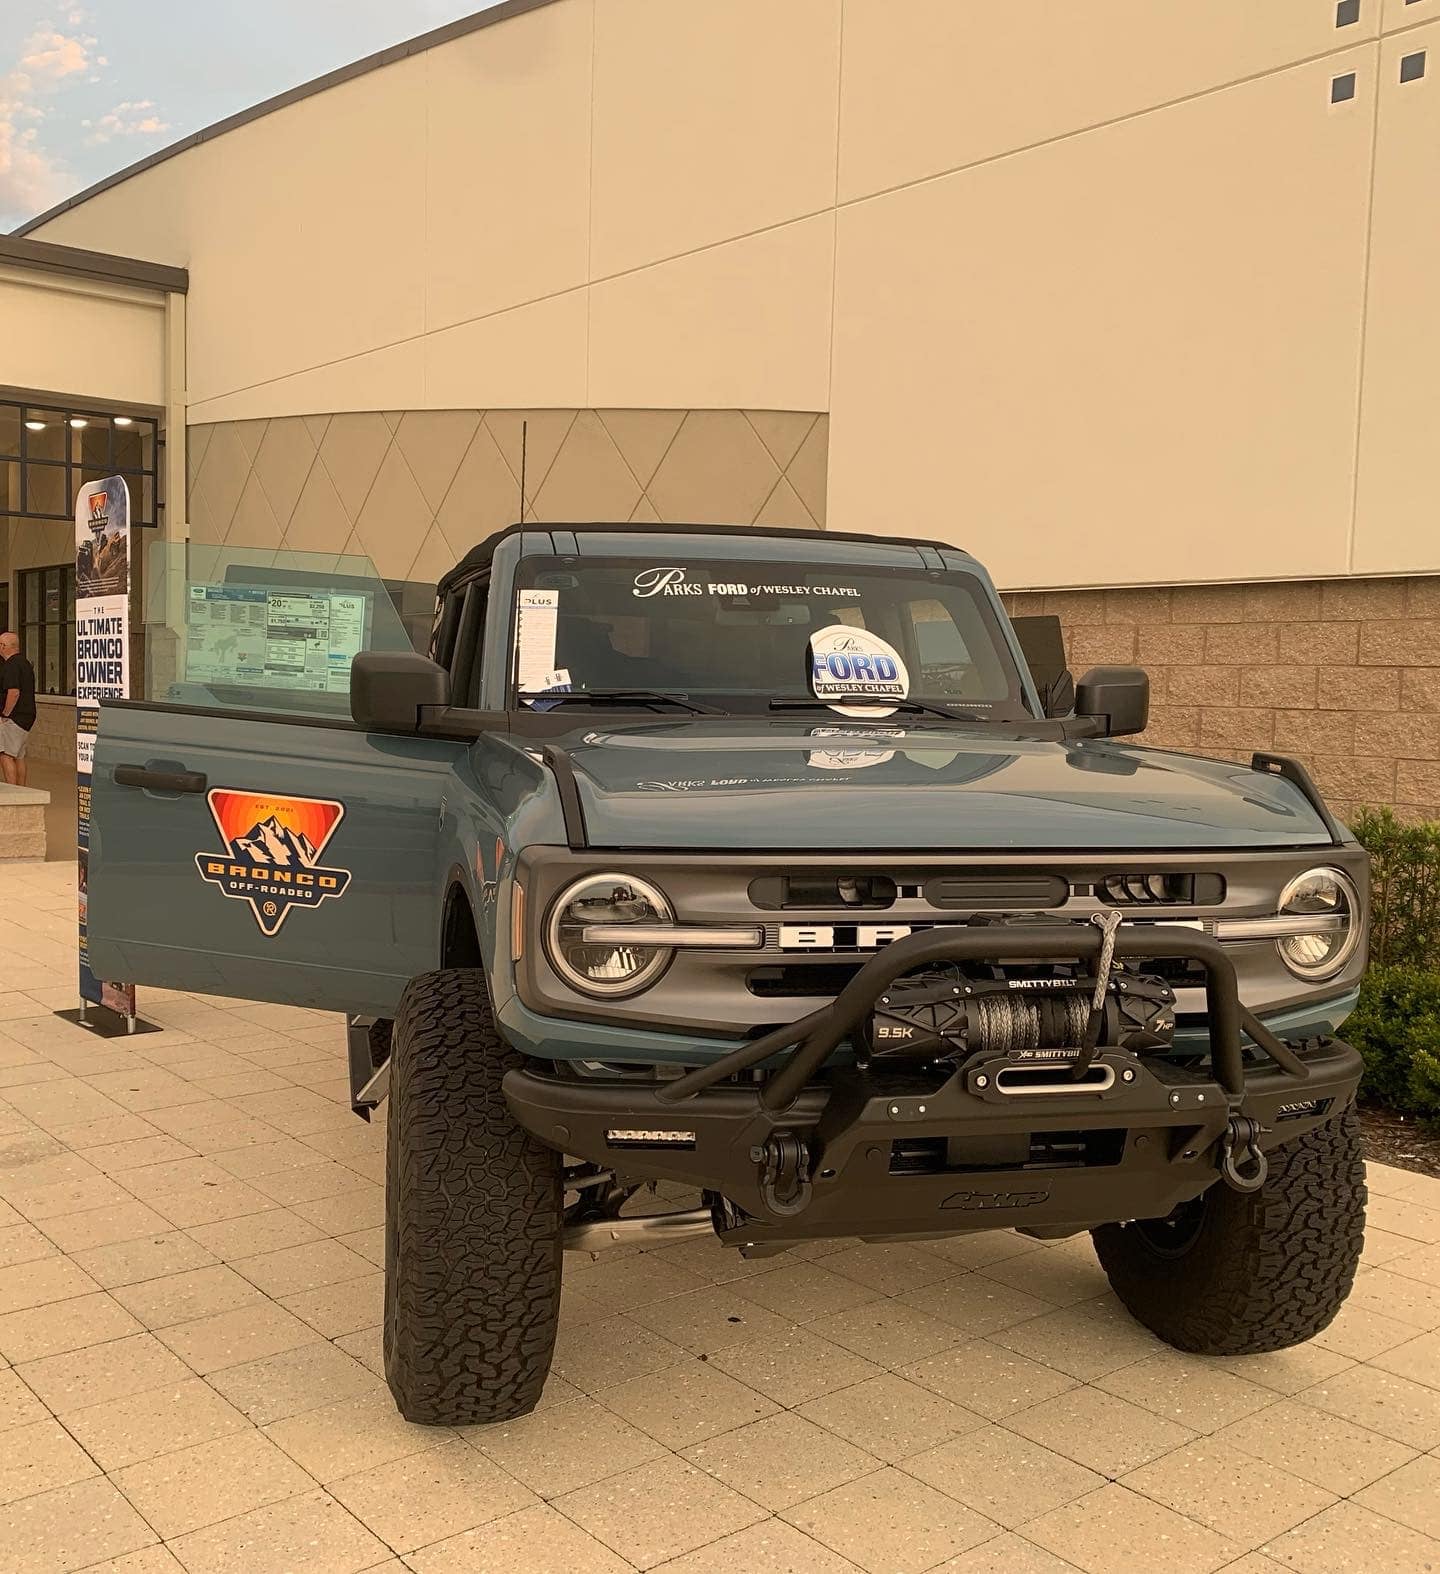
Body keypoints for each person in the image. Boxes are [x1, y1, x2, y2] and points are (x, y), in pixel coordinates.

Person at [0, 632, 37, 788]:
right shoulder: (25, 663)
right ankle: (22, 791)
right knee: (19, 756)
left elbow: (13, 692)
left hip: (14, 718)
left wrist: (5, 714)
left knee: (5, 755)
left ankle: (13, 792)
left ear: (5, 646)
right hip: (27, 717)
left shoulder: (11, 665)